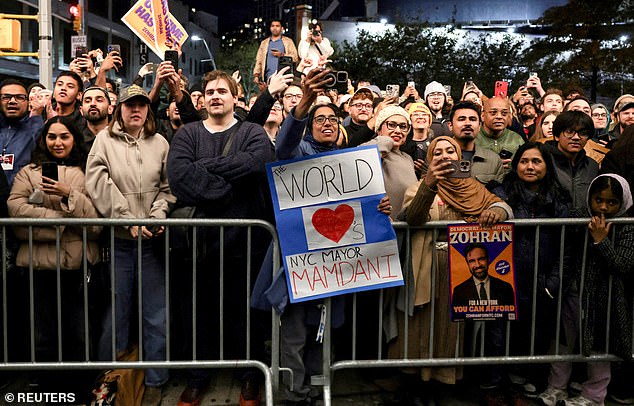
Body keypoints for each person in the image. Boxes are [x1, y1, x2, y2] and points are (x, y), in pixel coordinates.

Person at [274, 68, 391, 404]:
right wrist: (304, 103)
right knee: (295, 331)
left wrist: (377, 206)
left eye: (331, 119)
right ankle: (293, 391)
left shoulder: (350, 161)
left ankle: (317, 383)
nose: (326, 122)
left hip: (335, 264)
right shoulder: (300, 154)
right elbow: (283, 146)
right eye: (318, 119)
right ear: (309, 128)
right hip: (301, 262)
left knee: (323, 327)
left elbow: (361, 205)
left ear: (340, 127)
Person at [167, 70, 275, 406]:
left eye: (222, 91)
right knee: (200, 314)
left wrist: (205, 170)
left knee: (246, 315)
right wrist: (230, 182)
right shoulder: (187, 134)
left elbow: (258, 161)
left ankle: (248, 377)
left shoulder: (253, 131)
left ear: (235, 97)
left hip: (246, 245)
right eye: (209, 91)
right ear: (202, 99)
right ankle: (198, 378)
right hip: (199, 247)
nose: (215, 96)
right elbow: (179, 177)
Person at [388, 136, 512, 405]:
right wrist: (430, 185)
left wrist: (499, 211)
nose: (444, 156)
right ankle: (416, 385)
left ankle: (442, 385)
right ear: (430, 160)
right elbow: (413, 217)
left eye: (450, 151)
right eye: (438, 152)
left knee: (451, 330)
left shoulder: (474, 188)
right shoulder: (417, 187)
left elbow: (501, 204)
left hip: (461, 272)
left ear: (460, 158)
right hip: (427, 267)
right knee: (421, 326)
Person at [86, 84, 175, 406]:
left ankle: (155, 380)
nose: (135, 110)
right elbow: (98, 183)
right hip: (119, 241)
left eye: (140, 105)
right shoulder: (103, 141)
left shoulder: (161, 142)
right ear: (119, 109)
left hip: (151, 243)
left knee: (157, 313)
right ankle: (109, 382)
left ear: (147, 109)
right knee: (115, 314)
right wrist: (127, 219)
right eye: (129, 105)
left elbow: (168, 187)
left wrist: (156, 214)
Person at [7, 115, 101, 394]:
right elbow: (16, 210)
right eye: (52, 137)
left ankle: (80, 387)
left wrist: (69, 193)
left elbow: (96, 222)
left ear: (75, 139)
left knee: (78, 330)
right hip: (38, 267)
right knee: (42, 331)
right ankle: (47, 387)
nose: (58, 143)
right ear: (43, 140)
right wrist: (60, 220)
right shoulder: (28, 172)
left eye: (64, 136)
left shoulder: (88, 172)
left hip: (76, 266)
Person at [537, 174, 633, 406]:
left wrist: (601, 241)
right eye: (598, 200)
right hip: (572, 292)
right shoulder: (582, 217)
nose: (603, 207)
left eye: (612, 202)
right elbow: (565, 224)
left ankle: (594, 395)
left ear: (623, 203)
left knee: (599, 346)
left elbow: (623, 264)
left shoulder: (628, 226)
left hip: (605, 298)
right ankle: (556, 387)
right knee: (562, 342)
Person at [544, 111, 598, 213]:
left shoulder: (592, 166)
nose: (576, 137)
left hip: (583, 226)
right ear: (557, 136)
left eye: (583, 133)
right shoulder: (544, 161)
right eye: (569, 132)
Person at [447, 101, 505, 186]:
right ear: (450, 126)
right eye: (462, 119)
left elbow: (498, 196)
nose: (468, 123)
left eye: (472, 119)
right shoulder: (438, 157)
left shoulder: (494, 160)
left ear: (479, 126)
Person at [0, 79, 45, 186]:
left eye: (19, 97)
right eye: (6, 97)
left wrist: (37, 118)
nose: (12, 101)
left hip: (22, 196)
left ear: (28, 102)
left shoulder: (36, 129)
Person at [451, 243, 515, 308]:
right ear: (468, 264)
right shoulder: (459, 291)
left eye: (481, 259)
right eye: (472, 261)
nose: (478, 265)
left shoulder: (506, 288)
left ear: (488, 260)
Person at [475, 97, 525, 167]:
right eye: (493, 113)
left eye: (504, 113)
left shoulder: (517, 140)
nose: (499, 117)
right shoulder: (472, 138)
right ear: (482, 116)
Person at [253, 19, 299, 84]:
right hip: (268, 78)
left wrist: (282, 55)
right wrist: (256, 75)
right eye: (273, 26)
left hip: (284, 77)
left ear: (282, 28)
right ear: (270, 28)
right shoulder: (264, 43)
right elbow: (259, 60)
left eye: (277, 26)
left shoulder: (288, 41)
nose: (275, 28)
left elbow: (295, 58)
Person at [401, 102, 434, 178]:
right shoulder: (402, 145)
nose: (420, 117)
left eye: (424, 114)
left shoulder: (436, 144)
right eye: (415, 114)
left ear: (429, 120)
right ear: (410, 120)